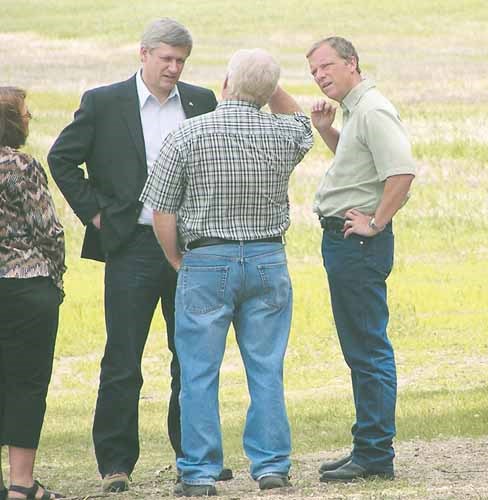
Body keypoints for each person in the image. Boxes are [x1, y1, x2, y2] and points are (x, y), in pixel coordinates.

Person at [47, 18, 231, 492]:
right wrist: (97, 214)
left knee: (191, 355)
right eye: (166, 58)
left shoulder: (202, 101)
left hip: (191, 248)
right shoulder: (104, 102)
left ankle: (194, 453)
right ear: (143, 54)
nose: (173, 68)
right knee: (123, 358)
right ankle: (115, 464)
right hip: (131, 247)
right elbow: (62, 158)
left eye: (181, 61)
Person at [140, 48, 313, 497]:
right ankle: (272, 465)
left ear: (225, 83)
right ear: (267, 91)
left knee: (198, 371)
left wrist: (177, 258)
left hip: (206, 258)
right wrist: (268, 85)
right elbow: (300, 120)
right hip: (266, 258)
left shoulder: (187, 135)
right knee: (266, 367)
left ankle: (198, 472)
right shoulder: (283, 134)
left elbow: (161, 209)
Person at [307, 36, 416, 481]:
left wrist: (376, 222)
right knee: (360, 349)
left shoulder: (372, 109)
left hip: (358, 244)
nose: (320, 76)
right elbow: (361, 164)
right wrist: (328, 131)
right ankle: (366, 447)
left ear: (352, 62)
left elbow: (402, 172)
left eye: (327, 66)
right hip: (346, 243)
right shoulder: (354, 111)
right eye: (314, 71)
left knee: (368, 349)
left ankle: (374, 454)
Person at [0, 86, 65, 500]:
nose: (30, 118)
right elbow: (48, 230)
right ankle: (22, 483)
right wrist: (55, 276)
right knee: (27, 382)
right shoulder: (20, 166)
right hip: (26, 286)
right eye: (25, 112)